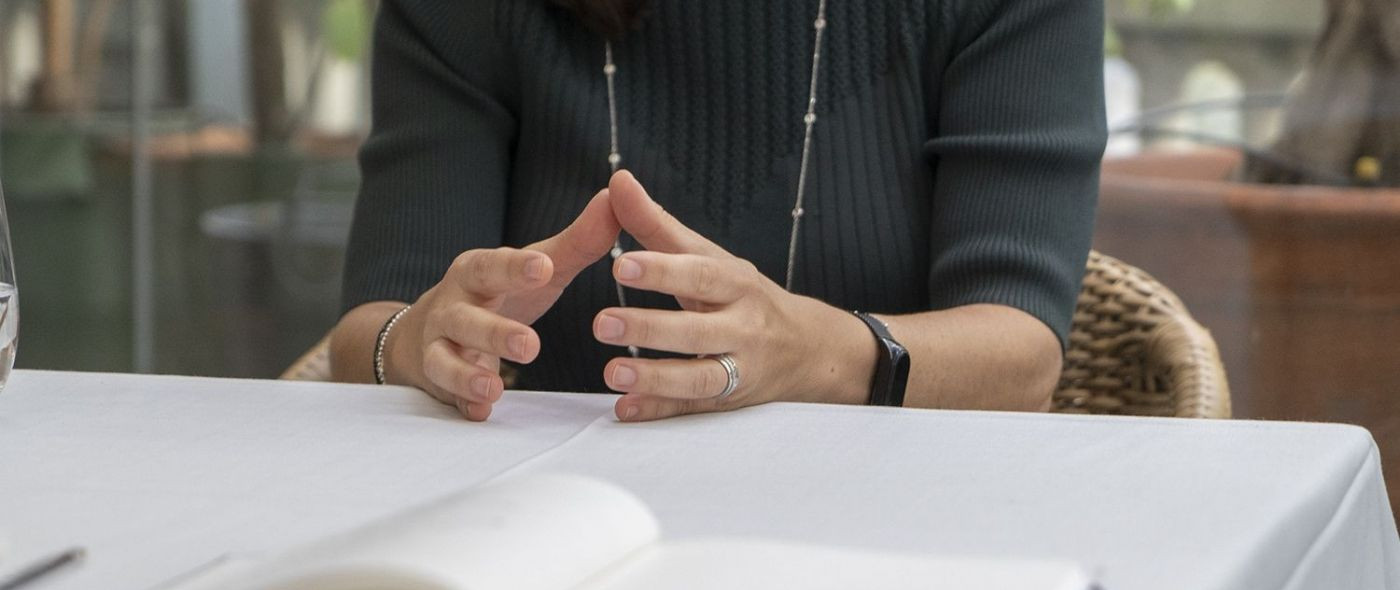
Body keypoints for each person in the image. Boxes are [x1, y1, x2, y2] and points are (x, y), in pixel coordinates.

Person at [331, 0, 1107, 422]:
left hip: (889, 542)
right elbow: (366, 335)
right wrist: (422, 343)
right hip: (539, 541)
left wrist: (819, 354)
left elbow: (1022, 356)